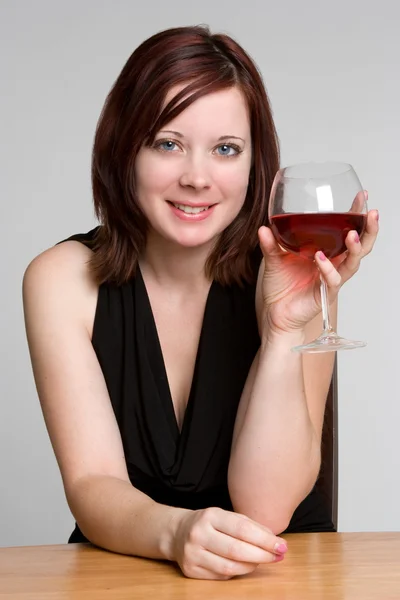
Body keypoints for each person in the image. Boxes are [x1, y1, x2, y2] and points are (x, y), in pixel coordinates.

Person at [22, 25, 379, 580]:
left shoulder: (300, 269)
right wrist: (174, 532)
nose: (196, 177)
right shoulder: (60, 280)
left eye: (226, 150)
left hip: (280, 577)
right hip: (124, 577)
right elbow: (92, 485)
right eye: (167, 143)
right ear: (125, 150)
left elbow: (266, 511)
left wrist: (284, 332)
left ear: (254, 164)